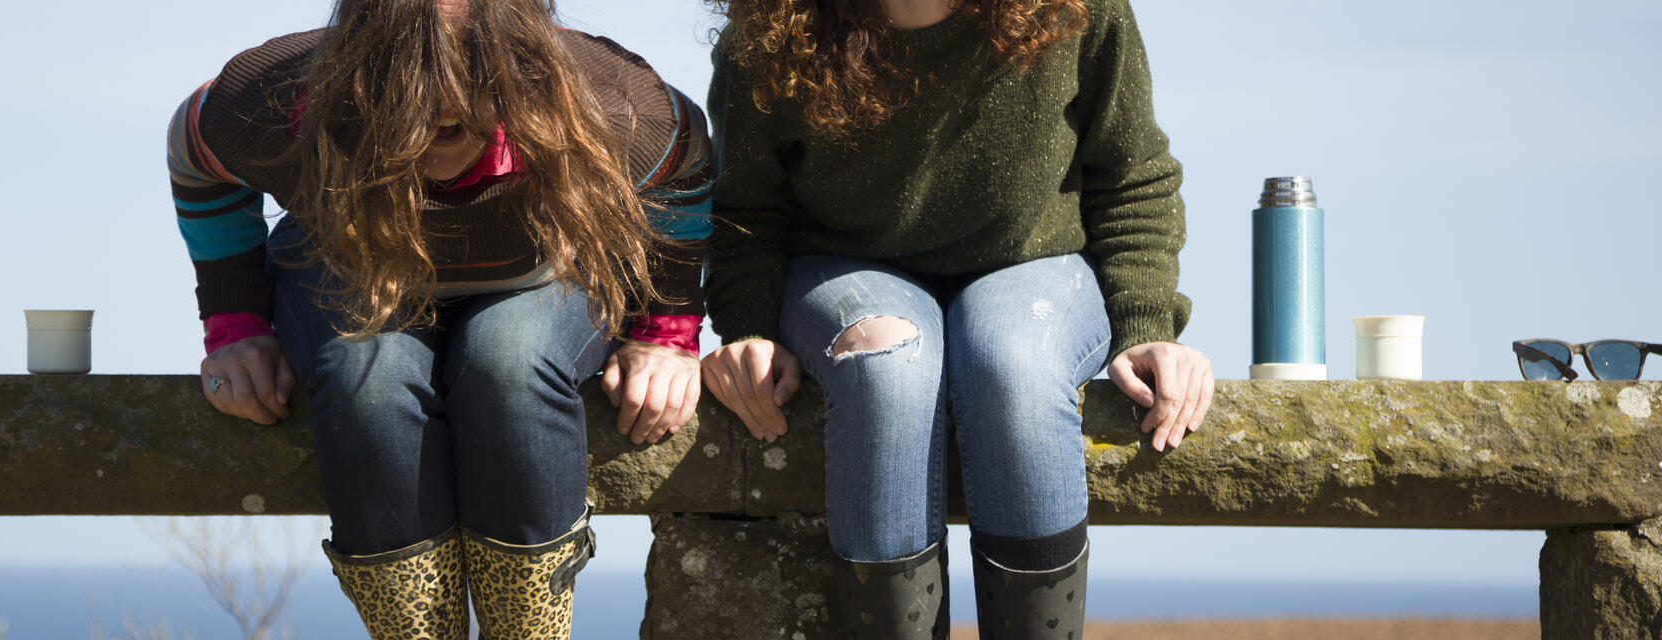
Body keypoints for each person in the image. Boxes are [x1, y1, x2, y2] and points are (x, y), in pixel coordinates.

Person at [164, 0, 714, 637]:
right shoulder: (271, 101)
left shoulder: (611, 103)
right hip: (355, 263)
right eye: (400, 110)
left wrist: (667, 331)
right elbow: (195, 151)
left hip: (545, 261)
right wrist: (236, 325)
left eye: (454, 119)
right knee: (368, 382)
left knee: (508, 365)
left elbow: (682, 160)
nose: (429, 126)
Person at [701, 0, 1213, 637]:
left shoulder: (1079, 10)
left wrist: (1147, 326)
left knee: (1013, 365)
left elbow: (1132, 177)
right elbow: (744, 212)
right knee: (885, 365)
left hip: (1034, 264)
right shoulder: (775, 27)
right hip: (843, 270)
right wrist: (749, 329)